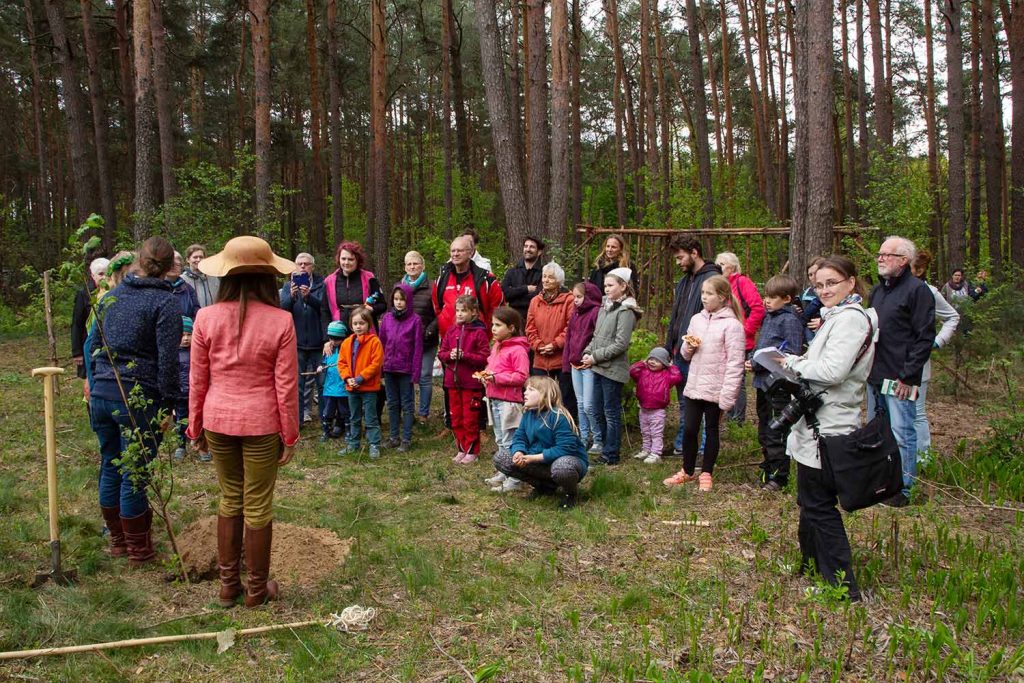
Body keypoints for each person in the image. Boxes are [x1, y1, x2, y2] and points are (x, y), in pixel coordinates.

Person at [187, 235, 298, 608]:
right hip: (262, 423)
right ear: (268, 277)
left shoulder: (205, 317)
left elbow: (198, 379)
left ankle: (227, 587)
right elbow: (285, 386)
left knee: (230, 497)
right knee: (258, 504)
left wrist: (195, 425)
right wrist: (291, 434)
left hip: (219, 419)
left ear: (226, 277)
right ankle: (255, 590)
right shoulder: (281, 320)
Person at [780, 255, 878, 602]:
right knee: (809, 500)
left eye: (831, 283)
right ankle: (810, 565)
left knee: (819, 505)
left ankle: (842, 586)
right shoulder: (837, 317)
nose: (824, 290)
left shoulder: (851, 320)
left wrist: (793, 362)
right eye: (819, 285)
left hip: (831, 426)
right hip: (818, 422)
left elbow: (834, 371)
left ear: (851, 282)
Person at [90, 237, 182, 566]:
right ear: (170, 265)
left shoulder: (110, 297)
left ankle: (118, 542)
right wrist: (171, 403)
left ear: (139, 261)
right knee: (135, 473)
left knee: (111, 465)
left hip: (102, 394)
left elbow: (93, 347)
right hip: (136, 399)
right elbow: (168, 361)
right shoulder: (166, 303)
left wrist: (93, 382)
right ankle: (138, 550)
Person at [868, 236, 936, 507]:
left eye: (887, 254)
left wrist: (908, 376)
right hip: (876, 374)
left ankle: (903, 489)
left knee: (902, 433)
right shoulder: (878, 291)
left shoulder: (917, 290)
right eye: (880, 254)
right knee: (878, 432)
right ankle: (881, 482)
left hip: (900, 378)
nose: (880, 258)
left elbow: (924, 338)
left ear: (903, 260)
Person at [663, 275, 745, 492]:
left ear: (723, 297)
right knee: (689, 429)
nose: (704, 298)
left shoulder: (732, 326)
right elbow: (685, 354)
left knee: (711, 430)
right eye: (702, 294)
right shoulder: (696, 320)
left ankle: (706, 472)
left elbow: (735, 363)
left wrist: (728, 396)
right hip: (695, 385)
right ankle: (688, 471)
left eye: (709, 294)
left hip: (716, 388)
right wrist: (688, 348)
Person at [493, 376, 589, 510]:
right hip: (539, 462)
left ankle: (570, 493)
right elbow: (519, 438)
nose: (525, 393)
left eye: (530, 390)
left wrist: (533, 458)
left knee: (563, 468)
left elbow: (565, 449)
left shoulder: (558, 416)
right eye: (525, 389)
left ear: (545, 394)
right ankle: (544, 487)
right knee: (501, 458)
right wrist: (518, 452)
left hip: (566, 461)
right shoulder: (528, 414)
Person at [664, 234, 722, 455]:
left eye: (680, 258)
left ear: (694, 253)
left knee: (706, 403)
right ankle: (682, 444)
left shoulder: (712, 279)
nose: (678, 263)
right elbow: (676, 316)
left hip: (702, 353)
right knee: (684, 402)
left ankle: (705, 450)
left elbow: (716, 317)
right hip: (681, 352)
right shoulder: (684, 281)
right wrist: (669, 346)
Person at [579, 267, 642, 465]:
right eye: (605, 285)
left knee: (610, 412)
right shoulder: (604, 307)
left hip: (613, 370)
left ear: (623, 287)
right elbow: (597, 337)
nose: (606, 289)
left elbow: (620, 344)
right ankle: (606, 448)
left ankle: (611, 454)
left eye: (610, 285)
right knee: (596, 409)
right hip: (598, 366)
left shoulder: (626, 311)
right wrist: (587, 352)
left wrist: (595, 357)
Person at [750, 274, 805, 490]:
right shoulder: (769, 317)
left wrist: (760, 363)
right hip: (762, 383)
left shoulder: (790, 320)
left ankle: (779, 475)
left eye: (773, 298)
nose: (767, 301)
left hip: (778, 386)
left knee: (776, 429)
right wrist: (752, 359)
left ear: (787, 299)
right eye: (766, 297)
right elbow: (763, 345)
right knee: (764, 427)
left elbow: (791, 353)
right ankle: (768, 466)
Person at [910, 251, 959, 456]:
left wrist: (937, 342)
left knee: (916, 412)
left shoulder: (929, 292)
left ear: (918, 270)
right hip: (889, 363)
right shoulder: (889, 292)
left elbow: (952, 317)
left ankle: (923, 458)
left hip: (918, 363)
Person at [479, 306, 530, 493]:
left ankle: (515, 479)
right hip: (494, 399)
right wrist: (486, 375)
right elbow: (492, 367)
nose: (493, 328)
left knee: (510, 441)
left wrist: (496, 378)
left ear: (512, 328)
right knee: (500, 439)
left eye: (498, 325)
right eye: (492, 324)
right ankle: (503, 470)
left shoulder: (518, 350)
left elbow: (522, 377)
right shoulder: (497, 347)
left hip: (510, 403)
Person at [439, 295, 490, 463]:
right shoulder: (451, 331)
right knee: (456, 417)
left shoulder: (479, 332)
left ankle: (472, 450)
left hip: (471, 383)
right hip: (452, 382)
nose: (460, 314)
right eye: (458, 310)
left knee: (470, 418)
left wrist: (465, 356)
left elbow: (484, 357)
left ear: (473, 312)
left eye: (464, 310)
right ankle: (461, 447)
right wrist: (450, 355)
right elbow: (442, 352)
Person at [715, 252, 766, 423]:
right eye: (717, 264)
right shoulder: (719, 285)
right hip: (722, 340)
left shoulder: (742, 282)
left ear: (733, 267)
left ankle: (737, 419)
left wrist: (744, 331)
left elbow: (758, 308)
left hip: (741, 341)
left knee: (736, 378)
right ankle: (727, 414)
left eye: (722, 264)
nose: (719, 267)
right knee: (724, 377)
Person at [526, 262, 576, 420]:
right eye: (544, 276)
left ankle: (568, 427)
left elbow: (571, 326)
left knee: (566, 397)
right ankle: (540, 427)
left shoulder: (569, 300)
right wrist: (538, 345)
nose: (546, 280)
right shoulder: (535, 301)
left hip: (561, 357)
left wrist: (555, 344)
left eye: (551, 277)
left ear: (559, 281)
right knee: (539, 395)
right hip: (540, 357)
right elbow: (530, 327)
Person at [281, 252, 325, 424]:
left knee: (322, 383)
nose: (303, 267)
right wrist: (292, 297)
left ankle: (324, 420)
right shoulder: (287, 287)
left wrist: (308, 297)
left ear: (312, 267)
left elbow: (324, 308)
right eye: (299, 264)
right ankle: (297, 421)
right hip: (297, 343)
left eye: (306, 264)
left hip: (318, 342)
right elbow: (282, 311)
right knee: (297, 385)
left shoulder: (322, 285)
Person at [379, 283, 423, 452]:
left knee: (407, 403)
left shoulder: (415, 320)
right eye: (396, 299)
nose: (399, 303)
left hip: (405, 369)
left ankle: (406, 438)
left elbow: (418, 348)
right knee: (392, 403)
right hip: (389, 367)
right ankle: (393, 436)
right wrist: (381, 367)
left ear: (408, 301)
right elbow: (382, 343)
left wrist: (416, 372)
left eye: (402, 300)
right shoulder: (387, 319)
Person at [433, 236, 503, 339]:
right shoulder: (442, 278)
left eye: (460, 251)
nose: (455, 254)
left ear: (470, 253)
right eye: (453, 251)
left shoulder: (485, 279)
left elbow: (497, 309)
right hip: (448, 342)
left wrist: (488, 335)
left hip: (476, 342)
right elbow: (437, 307)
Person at [337, 308, 384, 459]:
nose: (358, 326)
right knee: (354, 416)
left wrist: (360, 378)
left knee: (371, 417)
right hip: (352, 387)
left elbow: (376, 364)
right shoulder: (346, 343)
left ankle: (374, 444)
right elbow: (342, 363)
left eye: (362, 323)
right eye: (355, 323)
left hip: (368, 387)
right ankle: (353, 443)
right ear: (351, 325)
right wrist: (347, 378)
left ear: (368, 324)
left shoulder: (374, 342)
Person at [562, 282, 603, 454]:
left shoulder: (595, 313)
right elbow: (569, 339)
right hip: (574, 364)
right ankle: (584, 437)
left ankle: (598, 438)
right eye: (574, 297)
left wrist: (591, 357)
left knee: (588, 405)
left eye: (579, 297)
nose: (576, 301)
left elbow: (598, 337)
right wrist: (566, 362)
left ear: (589, 296)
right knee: (580, 404)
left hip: (588, 364)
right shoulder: (575, 314)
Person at [401, 251, 439, 421]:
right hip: (406, 342)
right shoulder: (400, 287)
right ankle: (409, 412)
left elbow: (441, 312)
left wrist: (430, 330)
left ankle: (423, 413)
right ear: (405, 267)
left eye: (415, 263)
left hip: (426, 340)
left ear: (422, 266)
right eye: (409, 264)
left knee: (424, 376)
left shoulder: (433, 287)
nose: (412, 267)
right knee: (407, 377)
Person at [629, 347, 682, 464]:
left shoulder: (666, 375)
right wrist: (642, 363)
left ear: (664, 363)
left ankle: (656, 453)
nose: (652, 362)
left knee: (656, 433)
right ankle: (646, 449)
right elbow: (632, 371)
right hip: (643, 408)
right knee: (645, 431)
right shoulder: (642, 372)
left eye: (657, 360)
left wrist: (671, 366)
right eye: (651, 359)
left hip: (658, 410)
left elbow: (677, 377)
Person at [321, 241, 386, 334]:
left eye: (351, 259)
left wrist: (372, 309)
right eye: (343, 259)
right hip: (339, 334)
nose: (346, 262)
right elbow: (324, 312)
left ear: (357, 260)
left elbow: (382, 305)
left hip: (365, 334)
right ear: (338, 259)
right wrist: (326, 339)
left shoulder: (369, 278)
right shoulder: (329, 281)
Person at [72, 257, 110, 380]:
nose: (104, 277)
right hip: (88, 341)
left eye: (107, 273)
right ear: (93, 276)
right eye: (100, 274)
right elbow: (77, 323)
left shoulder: (113, 292)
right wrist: (77, 352)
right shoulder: (84, 294)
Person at [501, 236, 545, 322]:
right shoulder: (512, 272)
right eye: (526, 246)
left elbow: (539, 298)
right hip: (514, 320)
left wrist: (514, 295)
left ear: (539, 252)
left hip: (536, 319)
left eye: (532, 247)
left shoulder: (544, 273)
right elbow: (504, 294)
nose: (528, 249)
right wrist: (526, 289)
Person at [319, 321, 350, 442]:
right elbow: (323, 362)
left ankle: (348, 431)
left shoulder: (346, 349)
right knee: (328, 411)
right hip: (329, 387)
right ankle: (326, 431)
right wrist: (320, 367)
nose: (333, 341)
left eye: (336, 339)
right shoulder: (328, 349)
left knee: (345, 411)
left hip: (342, 387)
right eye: (331, 338)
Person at [173, 316, 196, 462]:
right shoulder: (173, 354)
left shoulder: (196, 352)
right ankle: (181, 445)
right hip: (180, 393)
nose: (186, 338)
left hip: (194, 394)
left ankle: (199, 443)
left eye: (189, 334)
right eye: (182, 334)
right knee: (181, 419)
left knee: (197, 419)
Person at [182, 244, 220, 308]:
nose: (198, 259)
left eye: (201, 257)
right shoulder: (182, 280)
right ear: (188, 260)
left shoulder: (214, 278)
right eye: (195, 257)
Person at [168, 252, 201, 320]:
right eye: (170, 264)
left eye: (177, 264)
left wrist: (189, 323)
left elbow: (196, 312)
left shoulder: (188, 289)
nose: (173, 267)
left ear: (181, 268)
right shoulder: (157, 287)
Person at [801, 256, 826, 335]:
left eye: (816, 273)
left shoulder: (833, 292)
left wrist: (824, 322)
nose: (813, 277)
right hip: (808, 331)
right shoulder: (806, 293)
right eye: (810, 275)